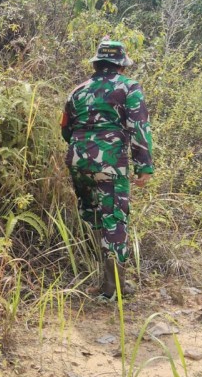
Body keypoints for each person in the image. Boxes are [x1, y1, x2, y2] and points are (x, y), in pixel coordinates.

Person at [60, 38, 154, 298]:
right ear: (121, 65)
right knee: (114, 220)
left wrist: (84, 150)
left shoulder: (77, 90)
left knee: (93, 216)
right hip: (110, 163)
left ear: (98, 63)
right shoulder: (129, 88)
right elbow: (139, 128)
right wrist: (144, 165)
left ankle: (102, 281)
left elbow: (66, 130)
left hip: (78, 161)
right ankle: (113, 290)